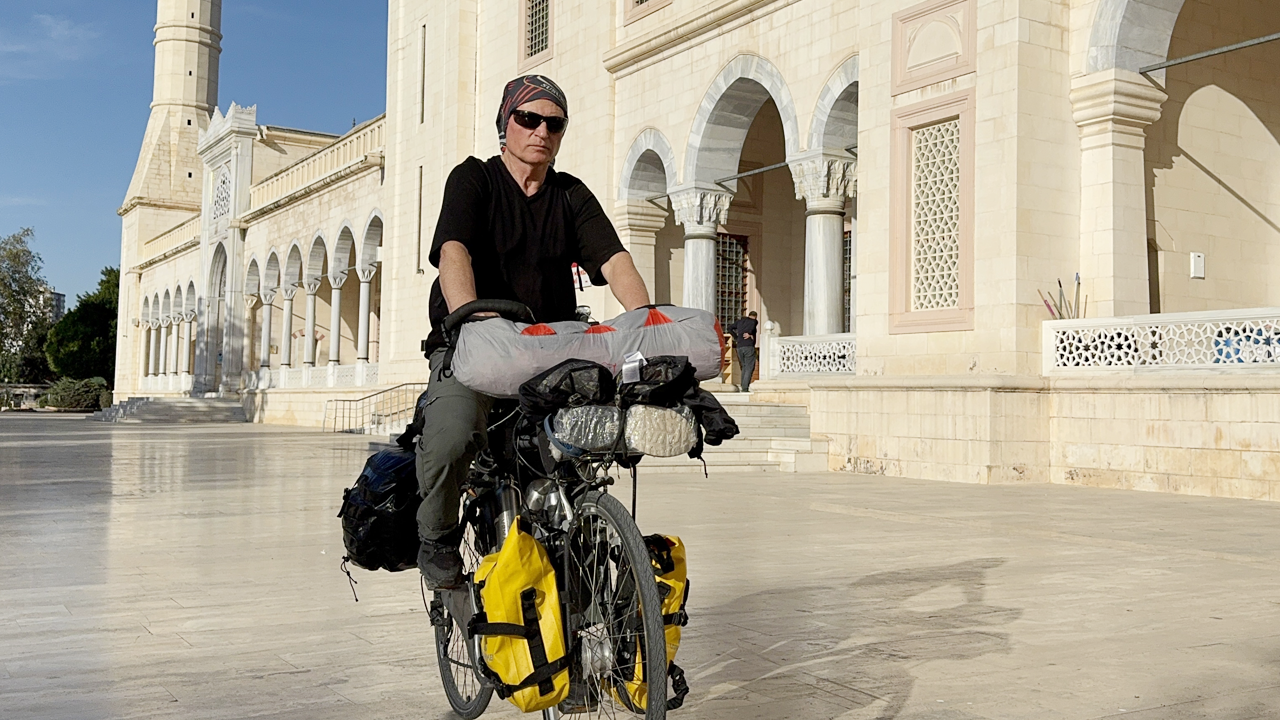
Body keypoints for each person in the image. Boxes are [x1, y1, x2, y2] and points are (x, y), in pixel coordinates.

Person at [415, 75, 651, 589]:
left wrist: (648, 324)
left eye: (554, 123)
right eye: (529, 118)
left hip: (549, 355)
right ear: (506, 123)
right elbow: (454, 252)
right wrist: (473, 323)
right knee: (453, 434)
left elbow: (614, 260)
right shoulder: (474, 179)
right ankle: (435, 535)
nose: (541, 131)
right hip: (477, 344)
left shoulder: (570, 195)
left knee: (585, 454)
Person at [729, 311, 758, 392]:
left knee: (744, 367)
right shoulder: (753, 321)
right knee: (749, 367)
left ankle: (743, 386)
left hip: (739, 347)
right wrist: (750, 334)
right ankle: (745, 388)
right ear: (755, 316)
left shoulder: (739, 322)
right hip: (748, 346)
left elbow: (730, 328)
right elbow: (752, 328)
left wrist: (736, 337)